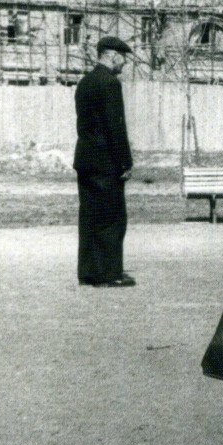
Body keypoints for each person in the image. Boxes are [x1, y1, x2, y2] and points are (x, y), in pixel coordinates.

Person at [74, 36, 134, 288]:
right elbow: (115, 126)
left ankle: (88, 272)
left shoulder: (85, 82)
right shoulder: (110, 84)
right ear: (112, 56)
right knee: (111, 218)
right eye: (123, 58)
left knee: (89, 217)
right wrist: (125, 161)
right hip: (106, 162)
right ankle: (110, 273)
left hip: (85, 160)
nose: (124, 63)